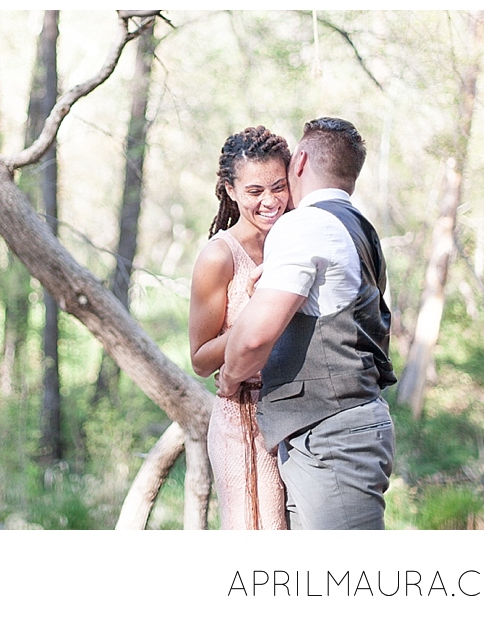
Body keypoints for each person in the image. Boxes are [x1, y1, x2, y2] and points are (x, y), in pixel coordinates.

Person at [217, 117, 397, 530]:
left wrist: (229, 379)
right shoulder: (357, 226)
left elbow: (253, 338)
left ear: (298, 161)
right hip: (336, 431)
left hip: (332, 436)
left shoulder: (306, 224)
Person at [189, 126, 291, 530]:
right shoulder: (219, 256)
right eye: (254, 191)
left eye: (279, 187)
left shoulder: (295, 241)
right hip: (243, 421)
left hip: (295, 416)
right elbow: (199, 360)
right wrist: (257, 320)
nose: (270, 201)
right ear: (230, 190)